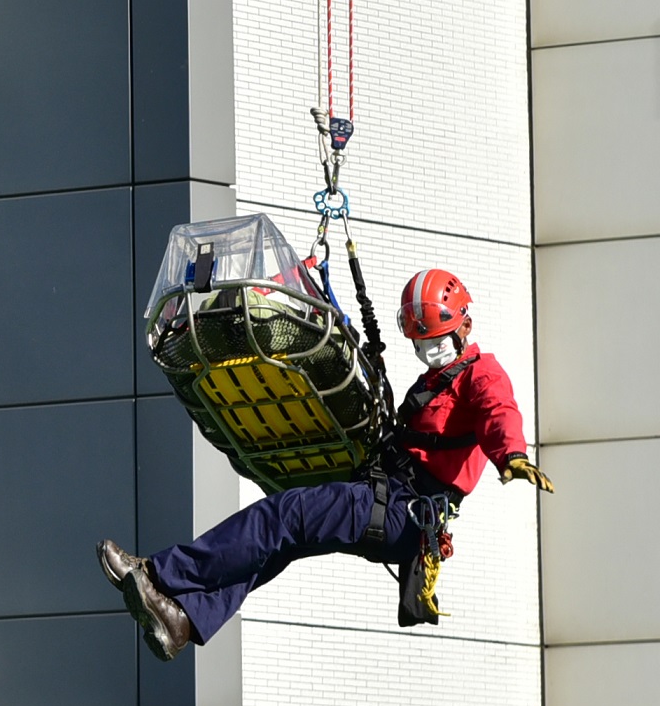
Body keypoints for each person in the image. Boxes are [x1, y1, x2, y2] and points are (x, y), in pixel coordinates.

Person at [99, 267, 552, 659]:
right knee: (281, 542)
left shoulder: (481, 374)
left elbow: (499, 412)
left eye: (433, 340)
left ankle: (158, 573)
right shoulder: (437, 378)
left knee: (282, 515)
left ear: (464, 325)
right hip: (389, 497)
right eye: (420, 341)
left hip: (403, 512)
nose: (425, 349)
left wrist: (511, 455)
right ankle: (183, 618)